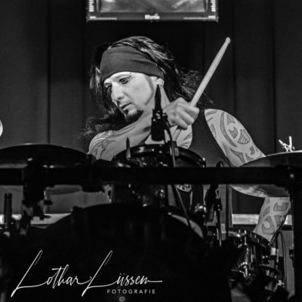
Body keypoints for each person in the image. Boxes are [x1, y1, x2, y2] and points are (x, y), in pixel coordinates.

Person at [84, 35, 290, 242]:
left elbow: (279, 189)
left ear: (157, 77)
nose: (116, 96)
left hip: (205, 257)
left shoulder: (216, 125)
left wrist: (258, 244)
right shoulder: (107, 141)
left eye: (124, 80)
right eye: (109, 87)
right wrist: (157, 119)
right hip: (135, 258)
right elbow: (97, 158)